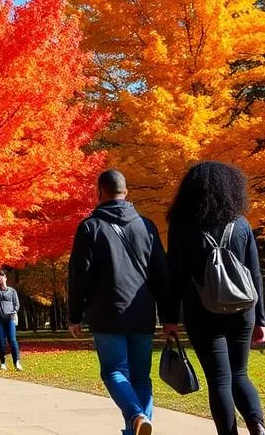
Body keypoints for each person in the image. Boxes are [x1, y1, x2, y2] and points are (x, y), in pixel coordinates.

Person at [163, 162, 265, 435]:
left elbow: (174, 273)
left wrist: (170, 317)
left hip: (202, 311)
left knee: (219, 379)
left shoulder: (182, 227)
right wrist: (261, 318)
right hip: (243, 309)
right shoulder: (242, 224)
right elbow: (255, 273)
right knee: (240, 374)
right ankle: (257, 426)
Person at [68, 169, 169, 435]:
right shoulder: (146, 226)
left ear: (99, 192)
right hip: (142, 311)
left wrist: (74, 315)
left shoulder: (90, 227)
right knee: (140, 377)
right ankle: (137, 425)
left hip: (106, 313)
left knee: (113, 371)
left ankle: (136, 415)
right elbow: (161, 273)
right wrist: (169, 316)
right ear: (127, 192)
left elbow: (79, 275)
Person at [0, 269, 22, 371]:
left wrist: (14, 311)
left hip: (10, 318)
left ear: (5, 278)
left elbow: (16, 304)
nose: (1, 281)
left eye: (2, 278)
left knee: (12, 340)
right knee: (0, 340)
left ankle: (16, 361)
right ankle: (2, 362)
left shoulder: (12, 291)